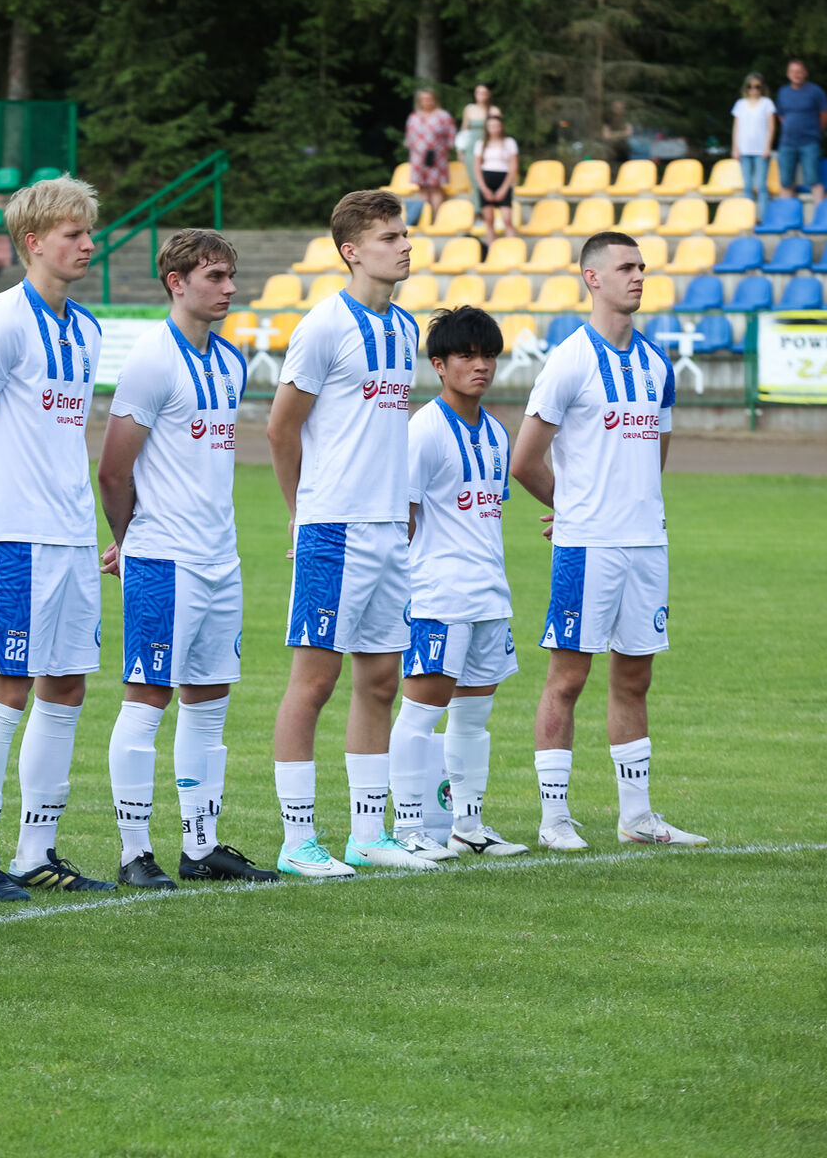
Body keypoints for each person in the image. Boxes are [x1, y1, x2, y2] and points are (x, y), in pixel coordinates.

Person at [509, 231, 707, 851]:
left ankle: (637, 816)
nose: (639, 276)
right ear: (592, 279)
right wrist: (572, 510)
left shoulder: (656, 364)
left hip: (647, 543)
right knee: (567, 678)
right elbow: (525, 461)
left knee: (635, 677)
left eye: (642, 267)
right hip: (588, 547)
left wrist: (615, 503)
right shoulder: (569, 361)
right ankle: (555, 818)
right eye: (626, 267)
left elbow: (653, 459)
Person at [97, 228, 279, 890]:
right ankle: (132, 851)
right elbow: (113, 472)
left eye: (230, 276)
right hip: (164, 559)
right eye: (214, 277)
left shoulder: (229, 362)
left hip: (219, 559)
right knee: (148, 698)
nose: (229, 288)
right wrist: (133, 537)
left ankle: (200, 845)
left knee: (209, 701)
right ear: (177, 283)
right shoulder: (152, 360)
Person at [0, 176, 116, 899]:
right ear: (33, 242)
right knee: (6, 688)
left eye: (89, 231)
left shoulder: (85, 328)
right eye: (74, 233)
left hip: (72, 535)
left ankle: (34, 851)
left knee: (67, 686)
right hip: (13, 534)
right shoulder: (0, 320)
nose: (88, 243)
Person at [266, 189, 428, 878]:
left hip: (390, 527)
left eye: (404, 234)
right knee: (314, 682)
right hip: (335, 527)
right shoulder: (324, 326)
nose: (404, 245)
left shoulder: (405, 327)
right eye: (390, 236)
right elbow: (280, 426)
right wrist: (302, 512)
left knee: (382, 678)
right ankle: (297, 839)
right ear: (351, 250)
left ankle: (368, 833)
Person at [387, 306, 530, 861]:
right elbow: (403, 516)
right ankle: (407, 826)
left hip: (489, 594)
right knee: (421, 712)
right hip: (438, 595)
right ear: (440, 364)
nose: (481, 365)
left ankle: (468, 824)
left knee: (473, 717)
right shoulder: (422, 430)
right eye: (467, 356)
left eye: (489, 355)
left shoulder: (496, 431)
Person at [775, 60, 827, 202]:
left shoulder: (816, 91)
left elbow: (825, 115)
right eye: (793, 72)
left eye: (799, 71)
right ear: (788, 74)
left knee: (814, 181)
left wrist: (815, 131)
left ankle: (820, 218)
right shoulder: (783, 92)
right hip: (787, 143)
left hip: (810, 142)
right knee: (786, 182)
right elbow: (780, 115)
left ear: (805, 73)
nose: (797, 75)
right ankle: (787, 219)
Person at [404, 91, 457, 216]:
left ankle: (437, 217)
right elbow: (409, 139)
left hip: (437, 157)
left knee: (435, 187)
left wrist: (444, 151)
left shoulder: (443, 116)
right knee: (421, 187)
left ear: (435, 100)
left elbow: (451, 137)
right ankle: (424, 217)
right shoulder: (414, 116)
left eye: (429, 99)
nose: (426, 101)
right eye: (424, 99)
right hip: (418, 157)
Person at [732, 73, 777, 217]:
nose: (754, 89)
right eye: (750, 86)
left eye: (757, 86)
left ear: (762, 88)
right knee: (747, 186)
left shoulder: (767, 103)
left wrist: (767, 146)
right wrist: (735, 148)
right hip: (744, 149)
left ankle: (763, 219)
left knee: (761, 185)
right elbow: (736, 128)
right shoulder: (740, 104)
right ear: (746, 88)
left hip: (760, 150)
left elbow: (771, 127)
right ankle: (748, 217)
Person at [474, 110, 518, 241]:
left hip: (503, 180)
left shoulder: (509, 142)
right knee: (489, 220)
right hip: (487, 180)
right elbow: (476, 168)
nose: (494, 129)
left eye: (496, 125)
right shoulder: (481, 144)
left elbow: (513, 167)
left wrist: (504, 188)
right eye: (491, 126)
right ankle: (492, 250)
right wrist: (484, 188)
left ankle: (512, 248)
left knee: (507, 219)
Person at [456, 84, 493, 210]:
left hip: (489, 148)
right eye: (478, 92)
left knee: (488, 180)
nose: (481, 96)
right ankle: (478, 211)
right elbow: (465, 129)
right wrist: (460, 150)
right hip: (472, 148)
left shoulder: (494, 110)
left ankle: (490, 210)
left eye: (484, 93)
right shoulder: (469, 109)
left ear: (488, 95)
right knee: (475, 181)